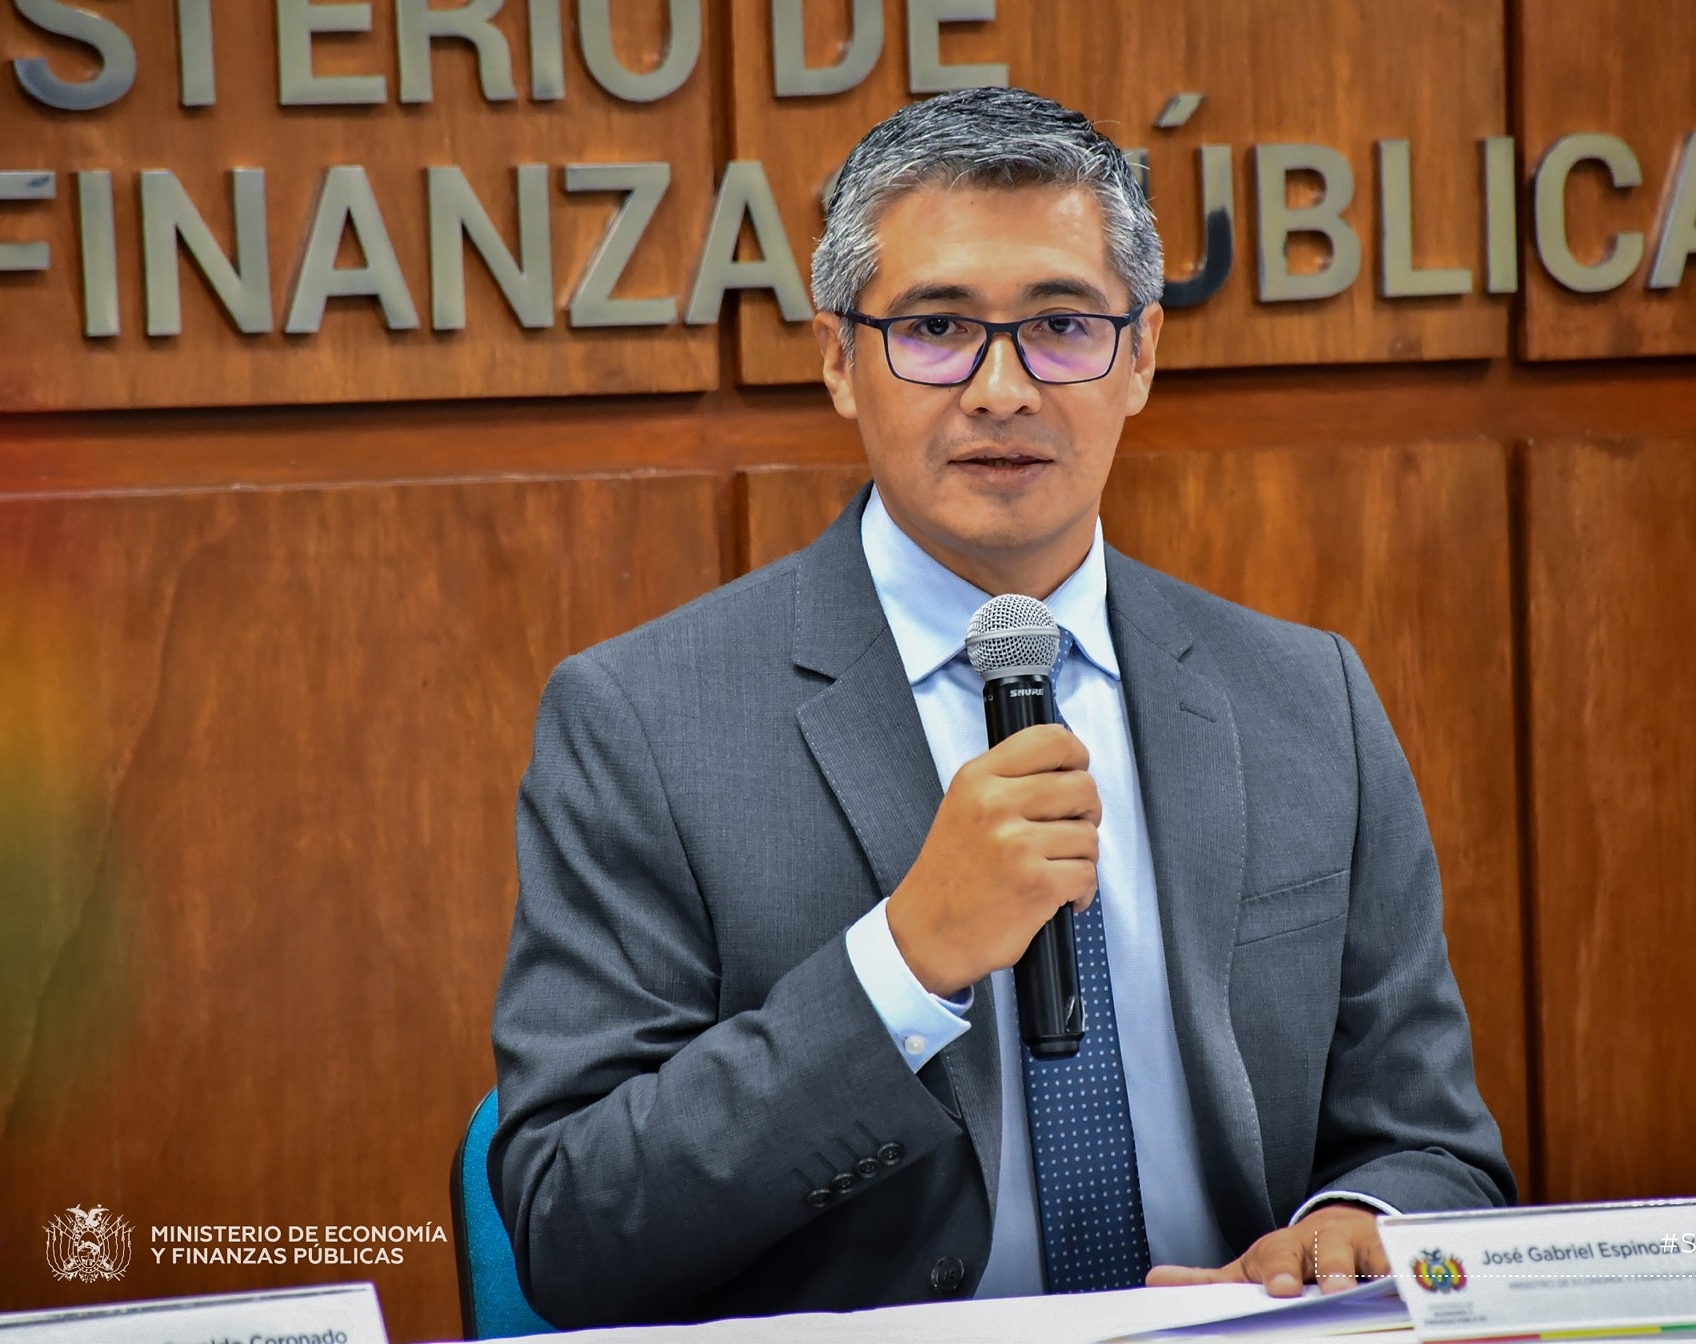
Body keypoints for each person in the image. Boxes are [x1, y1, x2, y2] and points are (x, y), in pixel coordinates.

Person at [489, 86, 1514, 1329]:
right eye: (933, 329)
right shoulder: (642, 722)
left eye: (1061, 327)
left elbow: (1432, 1148)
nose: (1000, 389)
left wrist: (1350, 1226)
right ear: (837, 360)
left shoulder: (1306, 700)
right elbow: (572, 1226)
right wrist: (902, 962)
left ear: (1140, 357)